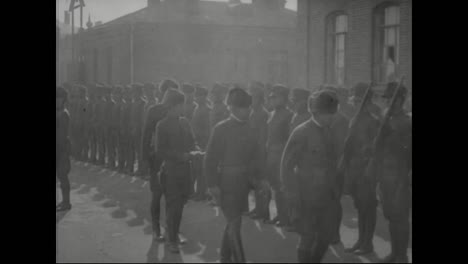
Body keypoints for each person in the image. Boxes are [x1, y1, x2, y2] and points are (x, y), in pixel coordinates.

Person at [204, 87, 267, 263]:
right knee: (234, 224)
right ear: (232, 108)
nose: (248, 111)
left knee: (234, 222)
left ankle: (224, 258)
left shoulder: (251, 128)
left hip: (243, 184)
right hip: (225, 184)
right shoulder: (221, 129)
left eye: (249, 107)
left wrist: (261, 180)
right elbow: (210, 160)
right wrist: (212, 185)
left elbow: (258, 156)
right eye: (243, 108)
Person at [280, 90, 341, 263]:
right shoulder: (301, 132)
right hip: (306, 195)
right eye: (327, 114)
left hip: (326, 195)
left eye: (332, 113)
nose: (331, 117)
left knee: (326, 235)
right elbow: (286, 166)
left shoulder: (329, 131)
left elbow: (332, 163)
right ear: (316, 112)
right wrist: (292, 194)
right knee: (307, 237)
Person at [368, 82, 412, 263]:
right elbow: (378, 147)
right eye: (387, 99)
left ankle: (401, 256)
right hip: (385, 174)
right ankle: (395, 253)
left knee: (400, 217)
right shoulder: (385, 117)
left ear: (401, 100)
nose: (388, 103)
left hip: (401, 175)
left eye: (392, 99)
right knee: (390, 215)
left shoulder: (407, 122)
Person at [338, 82, 380, 254]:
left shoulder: (373, 122)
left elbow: (377, 150)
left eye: (359, 101)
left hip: (366, 170)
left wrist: (368, 158)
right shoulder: (354, 120)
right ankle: (361, 240)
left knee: (368, 208)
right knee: (360, 207)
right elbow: (349, 145)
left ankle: (367, 243)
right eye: (354, 101)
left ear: (367, 102)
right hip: (354, 170)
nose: (355, 104)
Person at [154, 89, 198, 253]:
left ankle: (173, 232)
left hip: (186, 171)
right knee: (175, 205)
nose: (183, 108)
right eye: (180, 105)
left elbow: (192, 141)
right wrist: (181, 156)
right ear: (171, 106)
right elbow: (161, 151)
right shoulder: (162, 125)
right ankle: (172, 239)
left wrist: (196, 151)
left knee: (181, 204)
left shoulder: (185, 122)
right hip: (171, 171)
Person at [141, 79, 178, 241]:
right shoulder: (153, 110)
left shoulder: (177, 110)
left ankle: (172, 231)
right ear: (162, 93)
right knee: (157, 195)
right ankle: (156, 229)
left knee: (173, 197)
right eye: (170, 92)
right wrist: (145, 158)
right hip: (156, 159)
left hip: (173, 159)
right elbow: (146, 135)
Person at [264, 85, 293, 227]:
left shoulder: (289, 115)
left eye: (275, 97)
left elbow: (289, 140)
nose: (273, 100)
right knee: (275, 187)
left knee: (283, 188)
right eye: (271, 97)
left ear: (283, 98)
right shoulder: (272, 113)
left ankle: (286, 217)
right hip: (271, 154)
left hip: (281, 155)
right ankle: (280, 214)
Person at [246, 82, 270, 221]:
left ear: (260, 99)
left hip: (260, 154)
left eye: (253, 98)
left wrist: (258, 156)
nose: (251, 101)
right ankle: (258, 209)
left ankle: (264, 212)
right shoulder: (252, 113)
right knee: (255, 183)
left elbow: (262, 138)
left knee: (261, 183)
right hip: (252, 153)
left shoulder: (263, 114)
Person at [190, 85, 211, 201]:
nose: (197, 98)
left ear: (204, 96)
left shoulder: (207, 110)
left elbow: (208, 129)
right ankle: (197, 192)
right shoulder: (197, 108)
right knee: (195, 168)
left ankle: (201, 193)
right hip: (196, 141)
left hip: (203, 142)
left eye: (200, 96)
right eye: (196, 95)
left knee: (201, 170)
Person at [57, 86, 72, 212]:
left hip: (61, 149)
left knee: (63, 175)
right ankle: (64, 201)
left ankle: (66, 202)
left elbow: (61, 135)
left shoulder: (64, 114)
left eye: (59, 98)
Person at [129, 83, 146, 176]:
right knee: (132, 150)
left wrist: (137, 129)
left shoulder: (142, 103)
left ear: (139, 93)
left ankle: (141, 170)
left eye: (135, 92)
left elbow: (141, 119)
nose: (133, 94)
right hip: (132, 129)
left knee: (140, 152)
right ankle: (131, 168)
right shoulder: (133, 103)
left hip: (139, 131)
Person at [119, 85, 133, 174]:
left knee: (129, 149)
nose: (125, 95)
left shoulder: (132, 105)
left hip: (129, 129)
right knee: (123, 148)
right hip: (123, 129)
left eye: (127, 93)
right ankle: (124, 165)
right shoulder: (124, 104)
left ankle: (130, 166)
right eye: (124, 94)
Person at [95, 85, 107, 166]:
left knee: (103, 143)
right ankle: (100, 159)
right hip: (97, 125)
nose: (98, 93)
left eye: (99, 91)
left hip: (103, 126)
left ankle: (103, 160)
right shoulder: (97, 102)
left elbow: (105, 115)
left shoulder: (104, 102)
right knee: (99, 143)